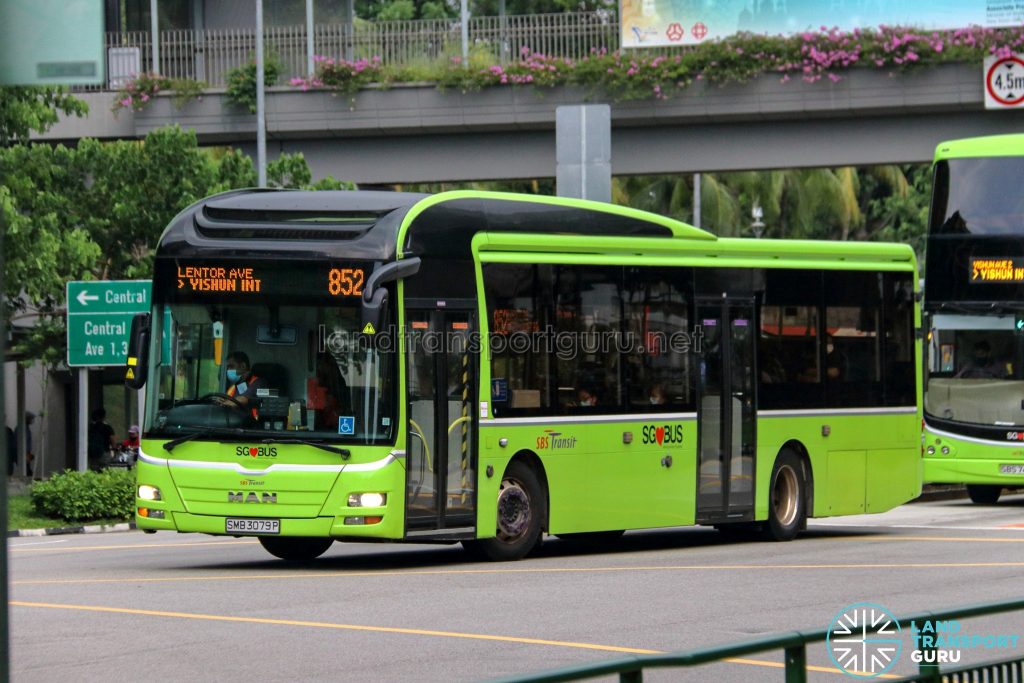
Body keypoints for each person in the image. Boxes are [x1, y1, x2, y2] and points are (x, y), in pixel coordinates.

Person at [309, 353, 349, 431]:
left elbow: (345, 408)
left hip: (336, 427)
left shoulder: (338, 383)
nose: (320, 368)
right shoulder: (313, 383)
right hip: (315, 427)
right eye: (318, 365)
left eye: (323, 364)